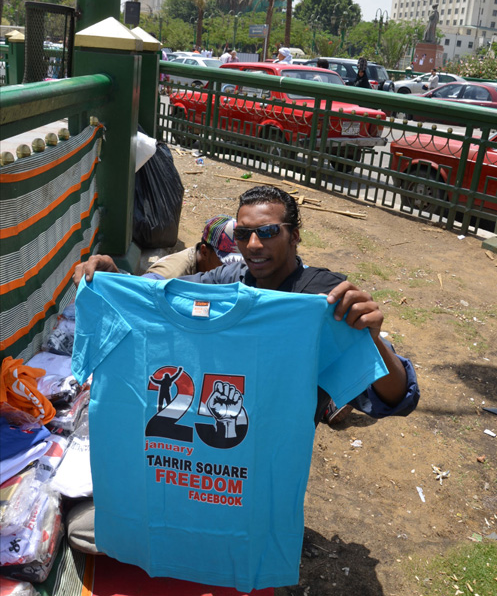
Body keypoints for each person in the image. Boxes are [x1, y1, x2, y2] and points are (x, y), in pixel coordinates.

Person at [69, 187, 419, 555]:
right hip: (186, 462)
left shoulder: (321, 302)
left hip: (255, 478)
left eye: (268, 232)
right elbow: (158, 297)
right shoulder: (228, 281)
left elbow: (395, 399)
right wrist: (117, 280)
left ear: (294, 235)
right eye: (242, 234)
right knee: (89, 531)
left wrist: (372, 339)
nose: (253, 244)